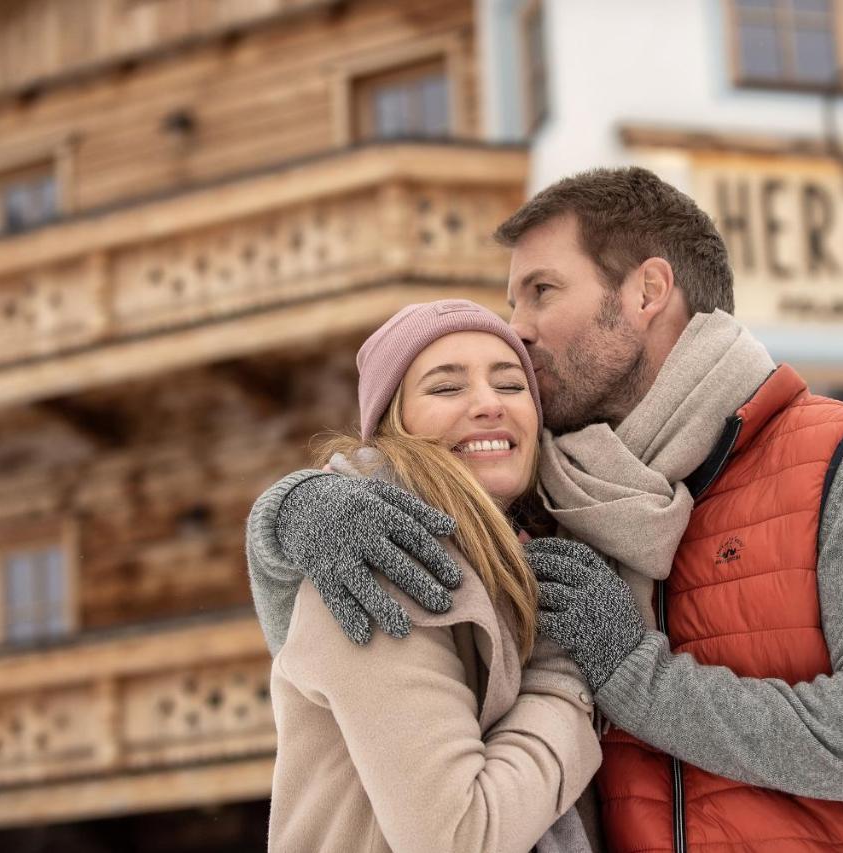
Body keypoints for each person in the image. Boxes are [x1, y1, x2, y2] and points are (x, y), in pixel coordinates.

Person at [252, 168, 843, 852]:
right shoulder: (549, 497)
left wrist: (635, 673)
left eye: (541, 291)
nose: (521, 328)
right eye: (514, 303)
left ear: (647, 291)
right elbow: (335, 667)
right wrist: (296, 510)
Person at [245, 300, 603, 852]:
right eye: (445, 388)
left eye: (510, 386)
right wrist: (567, 671)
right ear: (394, 424)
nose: (488, 405)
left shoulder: (520, 556)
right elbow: (460, 837)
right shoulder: (377, 555)